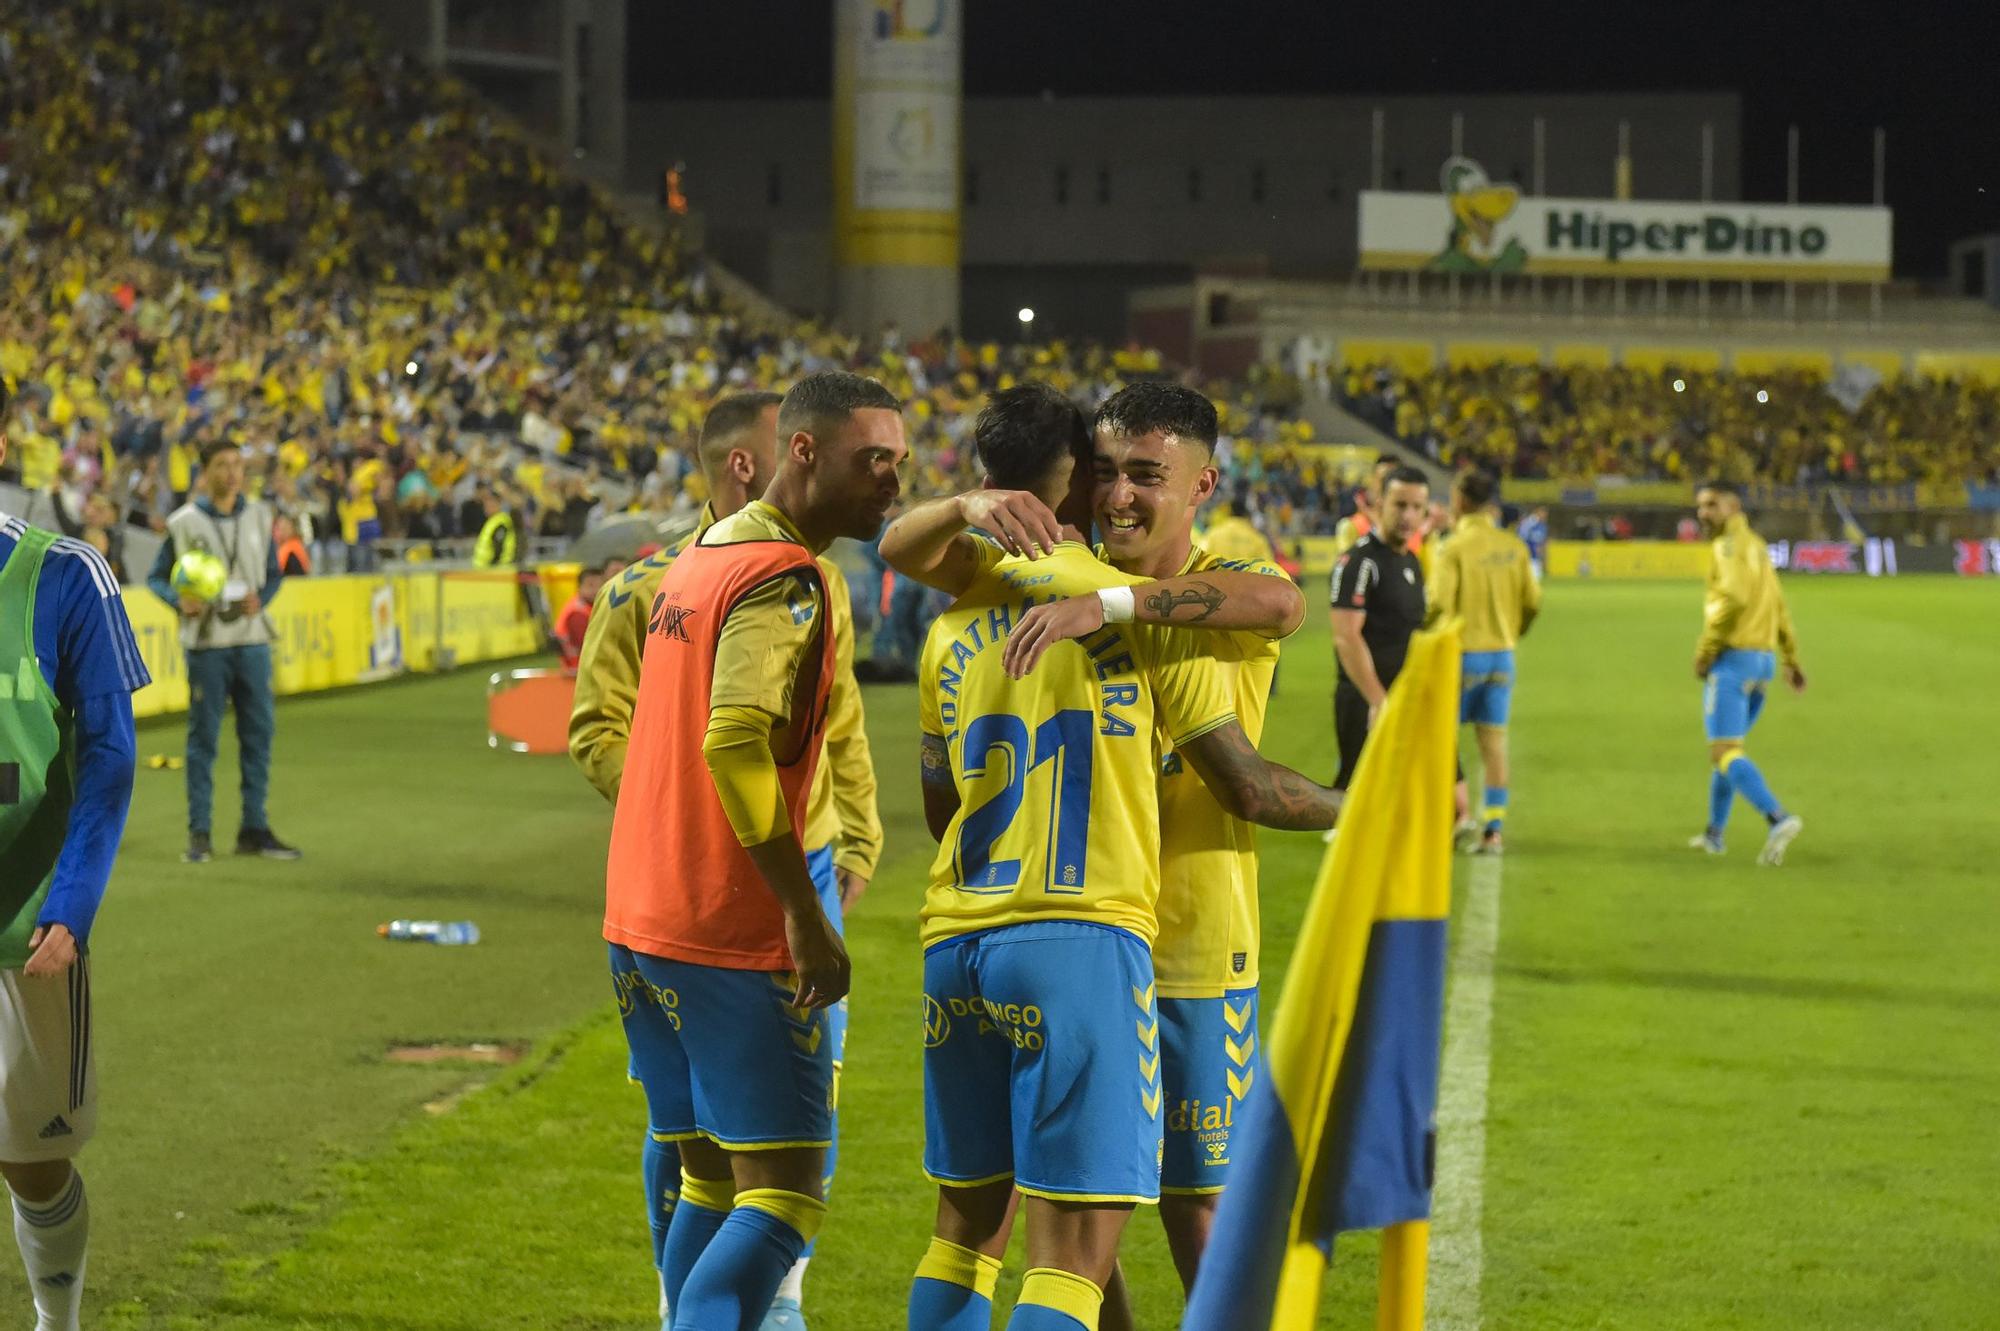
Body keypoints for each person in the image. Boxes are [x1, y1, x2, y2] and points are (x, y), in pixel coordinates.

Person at [892, 384, 1341, 1331]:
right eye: (1105, 473)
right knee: (1075, 1224)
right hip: (1097, 937)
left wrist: (1106, 600)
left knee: (1188, 1205)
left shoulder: (1195, 592)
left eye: (1147, 474)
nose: (1122, 494)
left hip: (1189, 947)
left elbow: (1281, 599)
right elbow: (1247, 785)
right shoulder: (1057, 587)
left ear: (1202, 483)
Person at [571, 390, 884, 1330]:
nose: (890, 482)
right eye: (872, 460)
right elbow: (633, 736)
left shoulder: (716, 571)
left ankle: (736, 1305)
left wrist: (854, 842)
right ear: (767, 461)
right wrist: (701, 830)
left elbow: (838, 726)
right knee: (767, 1176)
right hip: (733, 891)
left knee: (727, 1153)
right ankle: (742, 1308)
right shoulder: (751, 578)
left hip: (745, 880)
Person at [0, 382, 151, 1331]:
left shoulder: (63, 574)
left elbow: (108, 755)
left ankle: (59, 1322)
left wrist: (75, 902)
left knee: (33, 1159)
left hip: (26, 927)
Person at [146, 438, 299, 863]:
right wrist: (179, 601)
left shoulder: (259, 515)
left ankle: (254, 828)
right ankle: (200, 834)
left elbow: (273, 573)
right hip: (208, 645)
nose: (232, 472)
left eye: (237, 464)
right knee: (203, 741)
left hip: (252, 642)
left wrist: (261, 600)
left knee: (258, 736)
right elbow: (157, 577)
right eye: (222, 465)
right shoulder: (184, 522)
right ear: (205, 472)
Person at [1688, 481, 1806, 865]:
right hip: (1763, 663)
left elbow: (1733, 599)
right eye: (1701, 506)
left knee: (1723, 751)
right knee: (1730, 750)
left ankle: (1777, 817)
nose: (1703, 513)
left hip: (1734, 662)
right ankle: (1714, 834)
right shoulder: (1756, 545)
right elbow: (1778, 602)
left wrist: (1706, 651)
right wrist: (1791, 656)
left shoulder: (1726, 548)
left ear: (1732, 505)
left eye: (1711, 505)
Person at [1428, 470, 1541, 855]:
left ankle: (1454, 816)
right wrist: (1513, 630)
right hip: (1502, 656)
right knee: (1494, 746)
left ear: (1459, 501)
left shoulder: (1453, 547)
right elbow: (1533, 602)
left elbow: (1439, 602)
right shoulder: (1514, 546)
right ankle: (1493, 830)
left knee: (1440, 740)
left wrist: (1422, 629)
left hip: (1461, 654)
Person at [1329, 466, 1432, 799]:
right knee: (1356, 800)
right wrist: (1377, 700)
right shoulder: (1359, 561)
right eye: (1400, 505)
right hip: (1366, 700)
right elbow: (1346, 635)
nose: (1408, 515)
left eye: (1417, 508)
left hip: (1404, 698)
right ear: (1379, 504)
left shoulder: (1411, 562)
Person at [554, 561, 613, 675]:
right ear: (579, 587)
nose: (596, 590)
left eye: (600, 585)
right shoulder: (577, 614)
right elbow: (588, 646)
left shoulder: (589, 606)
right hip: (579, 671)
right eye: (590, 585)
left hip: (586, 668)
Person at [1518, 504, 1550, 577]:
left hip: (1536, 556)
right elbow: (1521, 537)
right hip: (1527, 556)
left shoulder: (1543, 526)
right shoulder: (1529, 523)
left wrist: (1542, 549)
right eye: (1542, 513)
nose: (1544, 515)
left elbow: (1541, 541)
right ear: (1537, 512)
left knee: (1537, 577)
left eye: (1545, 514)